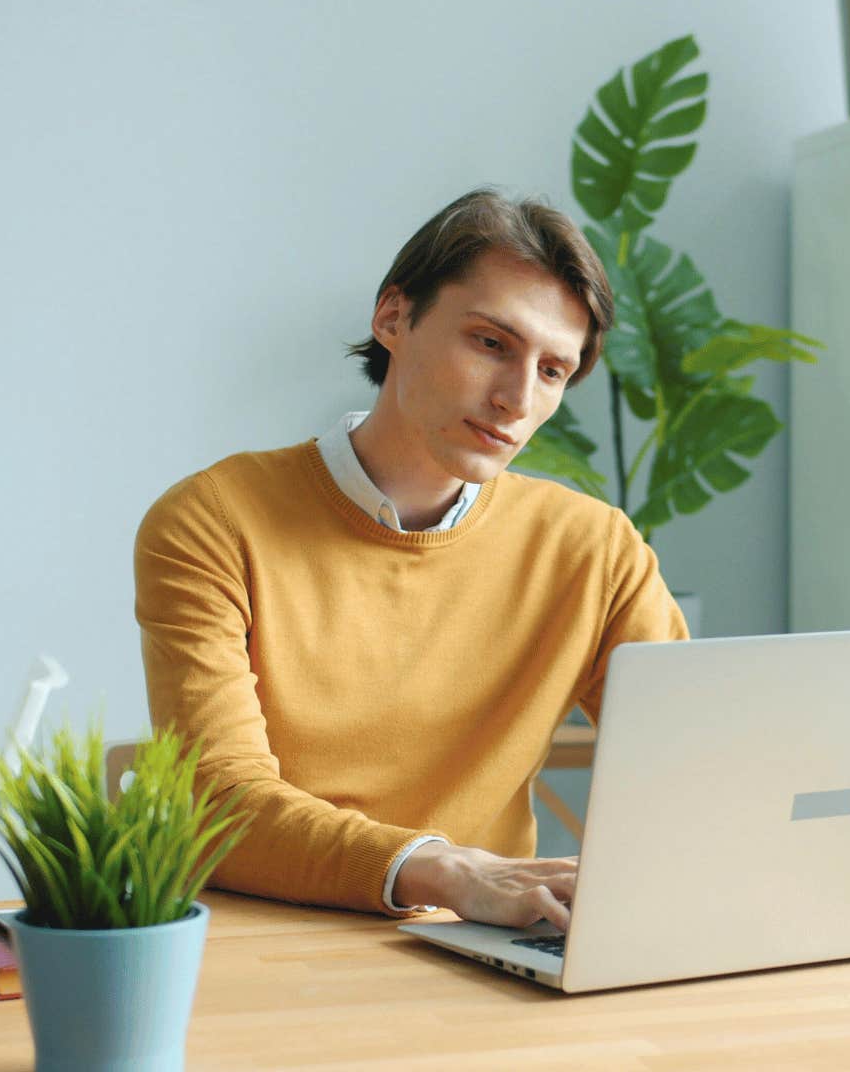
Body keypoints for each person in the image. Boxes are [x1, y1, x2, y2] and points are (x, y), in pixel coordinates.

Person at [134, 187, 688, 931]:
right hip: (269, 943)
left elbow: (696, 762)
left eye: (553, 371)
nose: (517, 398)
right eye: (490, 343)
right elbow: (222, 802)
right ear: (393, 317)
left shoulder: (595, 550)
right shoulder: (215, 522)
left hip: (486, 947)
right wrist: (447, 871)